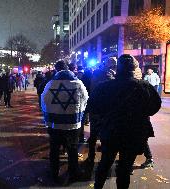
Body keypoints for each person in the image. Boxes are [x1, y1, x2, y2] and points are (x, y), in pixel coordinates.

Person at [87, 54, 161, 189]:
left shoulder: (104, 86)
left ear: (118, 68)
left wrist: (105, 116)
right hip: (134, 133)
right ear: (134, 69)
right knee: (125, 169)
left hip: (111, 131)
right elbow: (155, 106)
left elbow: (92, 106)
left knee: (105, 163)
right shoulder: (144, 86)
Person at [41, 60, 88, 182]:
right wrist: (79, 114)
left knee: (54, 149)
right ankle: (74, 172)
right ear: (69, 69)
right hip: (73, 123)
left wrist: (48, 117)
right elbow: (85, 100)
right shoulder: (78, 83)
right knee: (72, 149)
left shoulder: (50, 84)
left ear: (57, 70)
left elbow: (44, 101)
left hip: (54, 123)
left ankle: (54, 172)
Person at [85, 57, 117, 165]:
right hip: (105, 110)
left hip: (95, 107)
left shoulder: (96, 74)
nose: (113, 67)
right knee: (105, 134)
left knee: (93, 134)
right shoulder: (109, 75)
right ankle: (103, 159)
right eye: (113, 65)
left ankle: (91, 157)